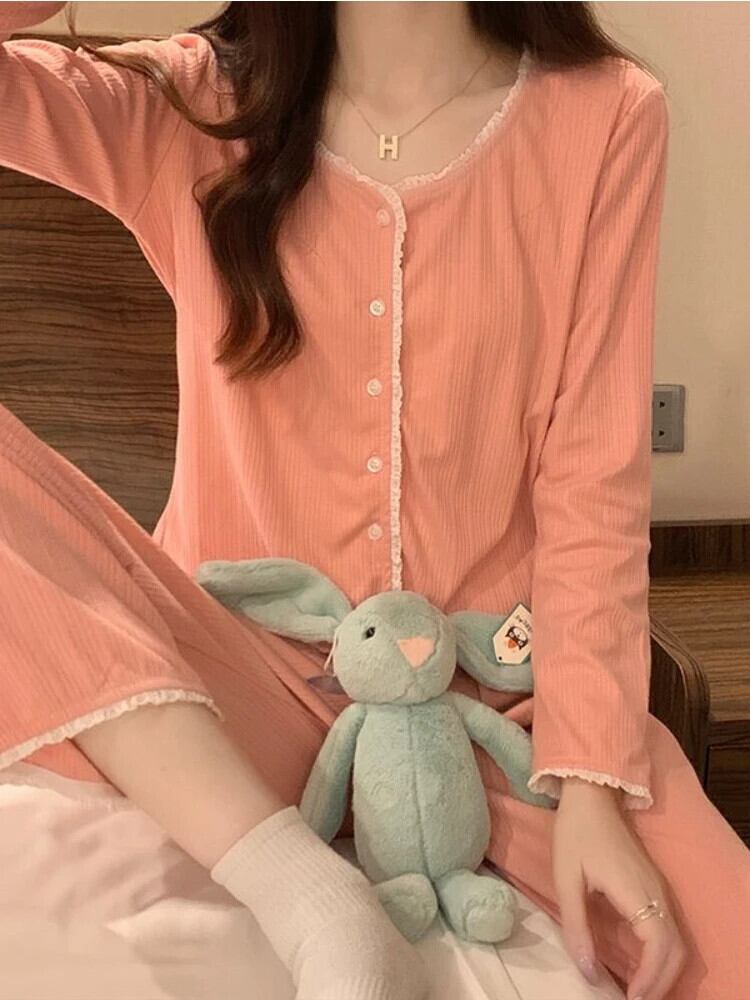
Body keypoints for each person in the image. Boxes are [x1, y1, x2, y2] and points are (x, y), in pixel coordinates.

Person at [0, 2, 748, 999]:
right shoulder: (192, 103)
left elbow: (593, 488)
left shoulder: (606, 114)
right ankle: (308, 891)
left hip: (493, 708)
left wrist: (592, 782)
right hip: (236, 687)